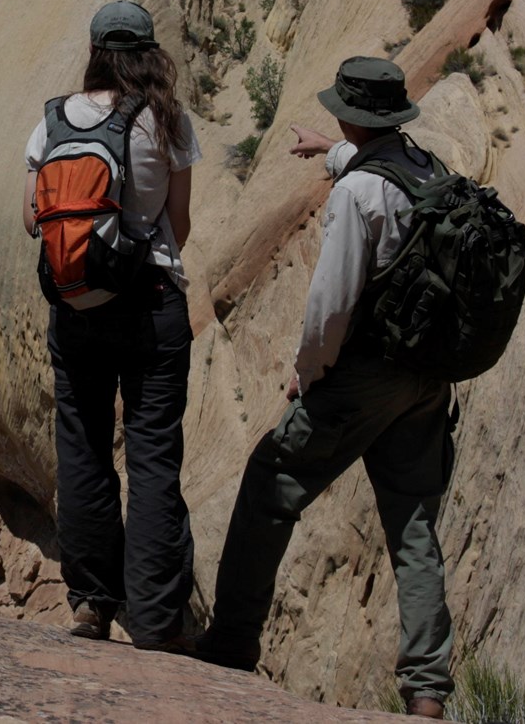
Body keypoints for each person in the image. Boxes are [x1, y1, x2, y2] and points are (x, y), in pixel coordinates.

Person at [192, 57, 455, 719]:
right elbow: (378, 173)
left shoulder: (355, 195)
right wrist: (329, 150)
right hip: (425, 377)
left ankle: (230, 643)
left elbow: (330, 305)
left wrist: (307, 372)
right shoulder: (428, 170)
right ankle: (427, 688)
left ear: (351, 114)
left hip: (360, 378)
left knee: (268, 484)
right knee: (414, 523)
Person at [22, 0, 201, 653]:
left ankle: (93, 604)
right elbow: (179, 226)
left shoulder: (54, 120)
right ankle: (155, 622)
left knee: (83, 448)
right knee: (153, 457)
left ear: (95, 49)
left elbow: (30, 219)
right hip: (151, 303)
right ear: (149, 51)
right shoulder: (166, 121)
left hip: (75, 308)